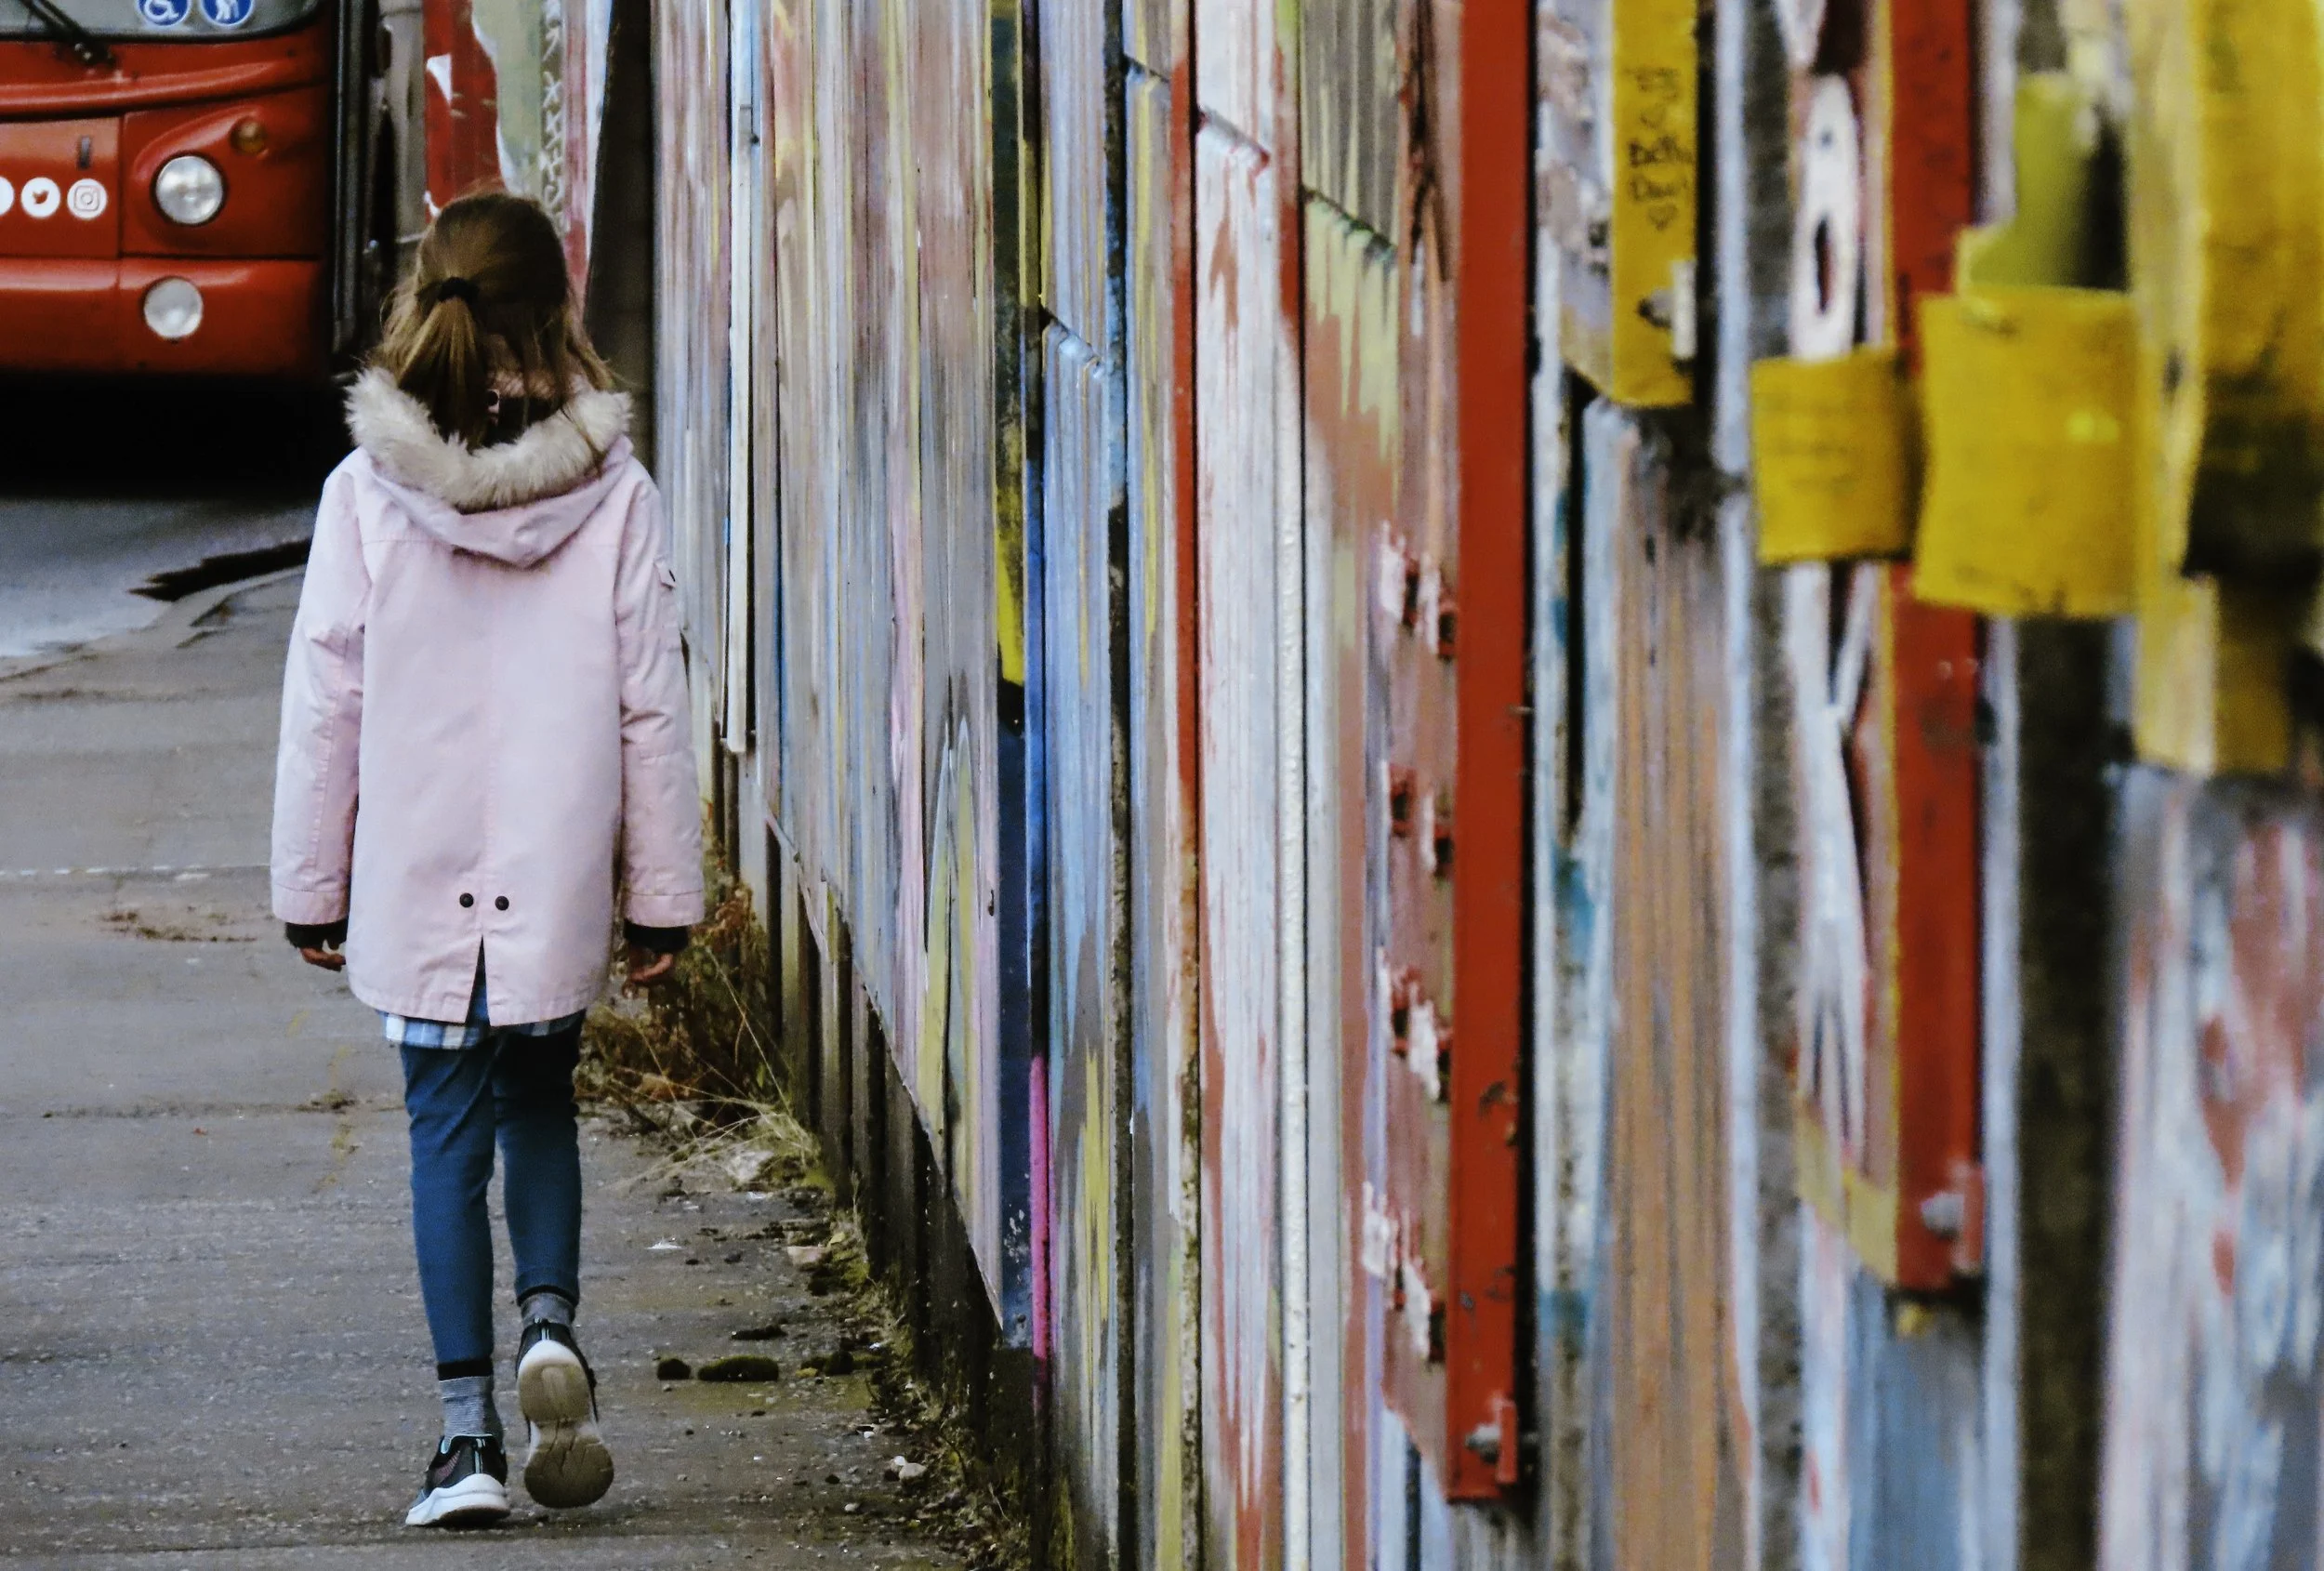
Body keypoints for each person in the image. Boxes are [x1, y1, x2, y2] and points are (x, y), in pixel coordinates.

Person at [269, 191, 704, 1529]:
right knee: (541, 1102)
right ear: (555, 314)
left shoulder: (367, 491)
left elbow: (326, 694)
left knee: (442, 1138)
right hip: (557, 871)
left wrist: (311, 886)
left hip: (412, 868)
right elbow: (651, 699)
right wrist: (662, 896)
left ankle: (463, 1438)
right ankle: (550, 1328)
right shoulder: (611, 494)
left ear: (424, 306)